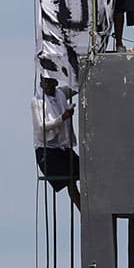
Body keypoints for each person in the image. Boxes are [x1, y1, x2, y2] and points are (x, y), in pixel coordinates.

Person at [32, 77, 80, 210]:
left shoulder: (60, 94)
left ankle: (88, 208)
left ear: (55, 83)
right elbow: (42, 126)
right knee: (70, 182)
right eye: (44, 82)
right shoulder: (36, 101)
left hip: (61, 148)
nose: (46, 85)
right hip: (46, 150)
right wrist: (63, 117)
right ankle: (84, 212)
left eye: (49, 81)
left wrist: (82, 76)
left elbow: (74, 88)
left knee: (83, 172)